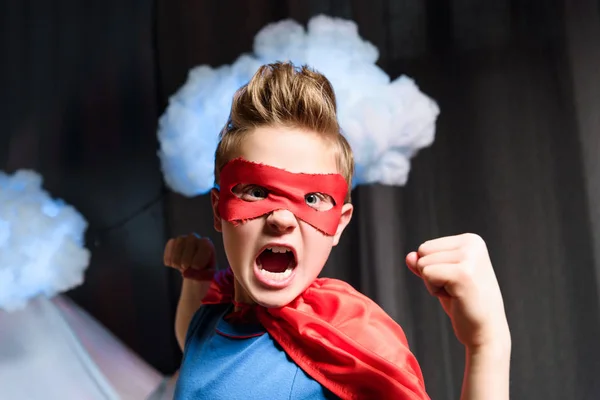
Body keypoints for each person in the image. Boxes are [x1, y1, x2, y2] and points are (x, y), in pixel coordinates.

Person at [164, 62, 511, 399]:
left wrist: (488, 345)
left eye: (313, 198)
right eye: (256, 192)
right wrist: (197, 278)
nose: (282, 219)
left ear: (339, 225)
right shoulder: (212, 319)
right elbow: (198, 351)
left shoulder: (346, 348)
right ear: (218, 209)